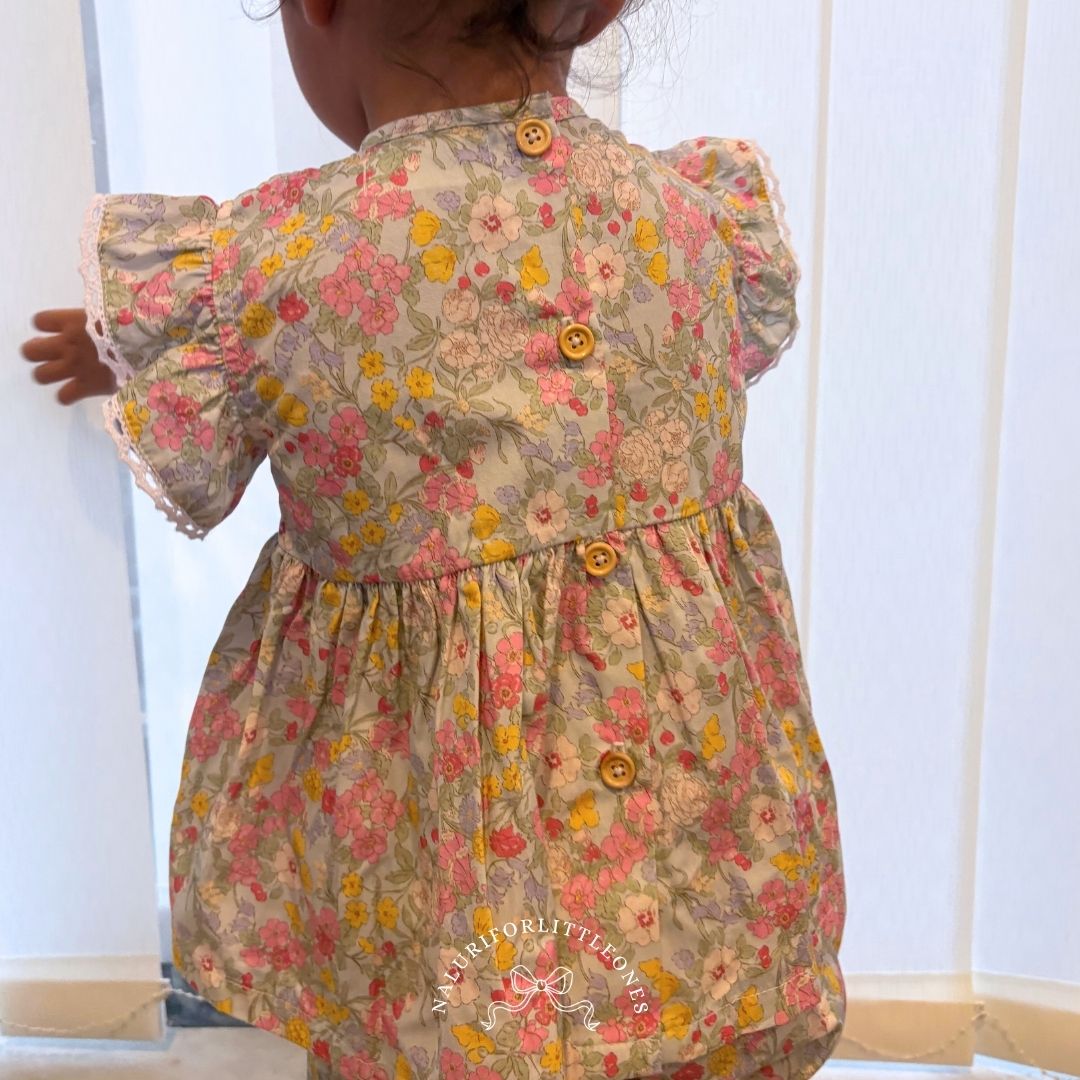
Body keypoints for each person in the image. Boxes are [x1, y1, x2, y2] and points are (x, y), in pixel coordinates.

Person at [20, 1, 847, 1077]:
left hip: (445, 872)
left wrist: (136, 347)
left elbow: (213, 389)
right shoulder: (693, 222)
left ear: (318, 6)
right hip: (698, 853)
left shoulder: (283, 267)